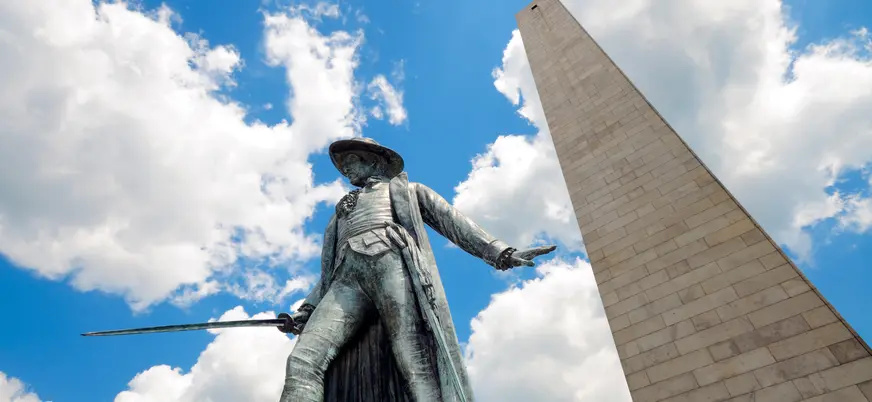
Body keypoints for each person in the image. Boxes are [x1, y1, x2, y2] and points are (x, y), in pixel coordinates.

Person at [279, 137, 556, 402]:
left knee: (413, 357)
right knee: (303, 359)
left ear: (374, 161)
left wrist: (501, 252)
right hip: (345, 281)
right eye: (343, 165)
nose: (345, 168)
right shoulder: (340, 214)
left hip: (390, 263)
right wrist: (306, 310)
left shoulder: (407, 191)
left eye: (351, 160)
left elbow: (452, 221)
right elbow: (329, 272)